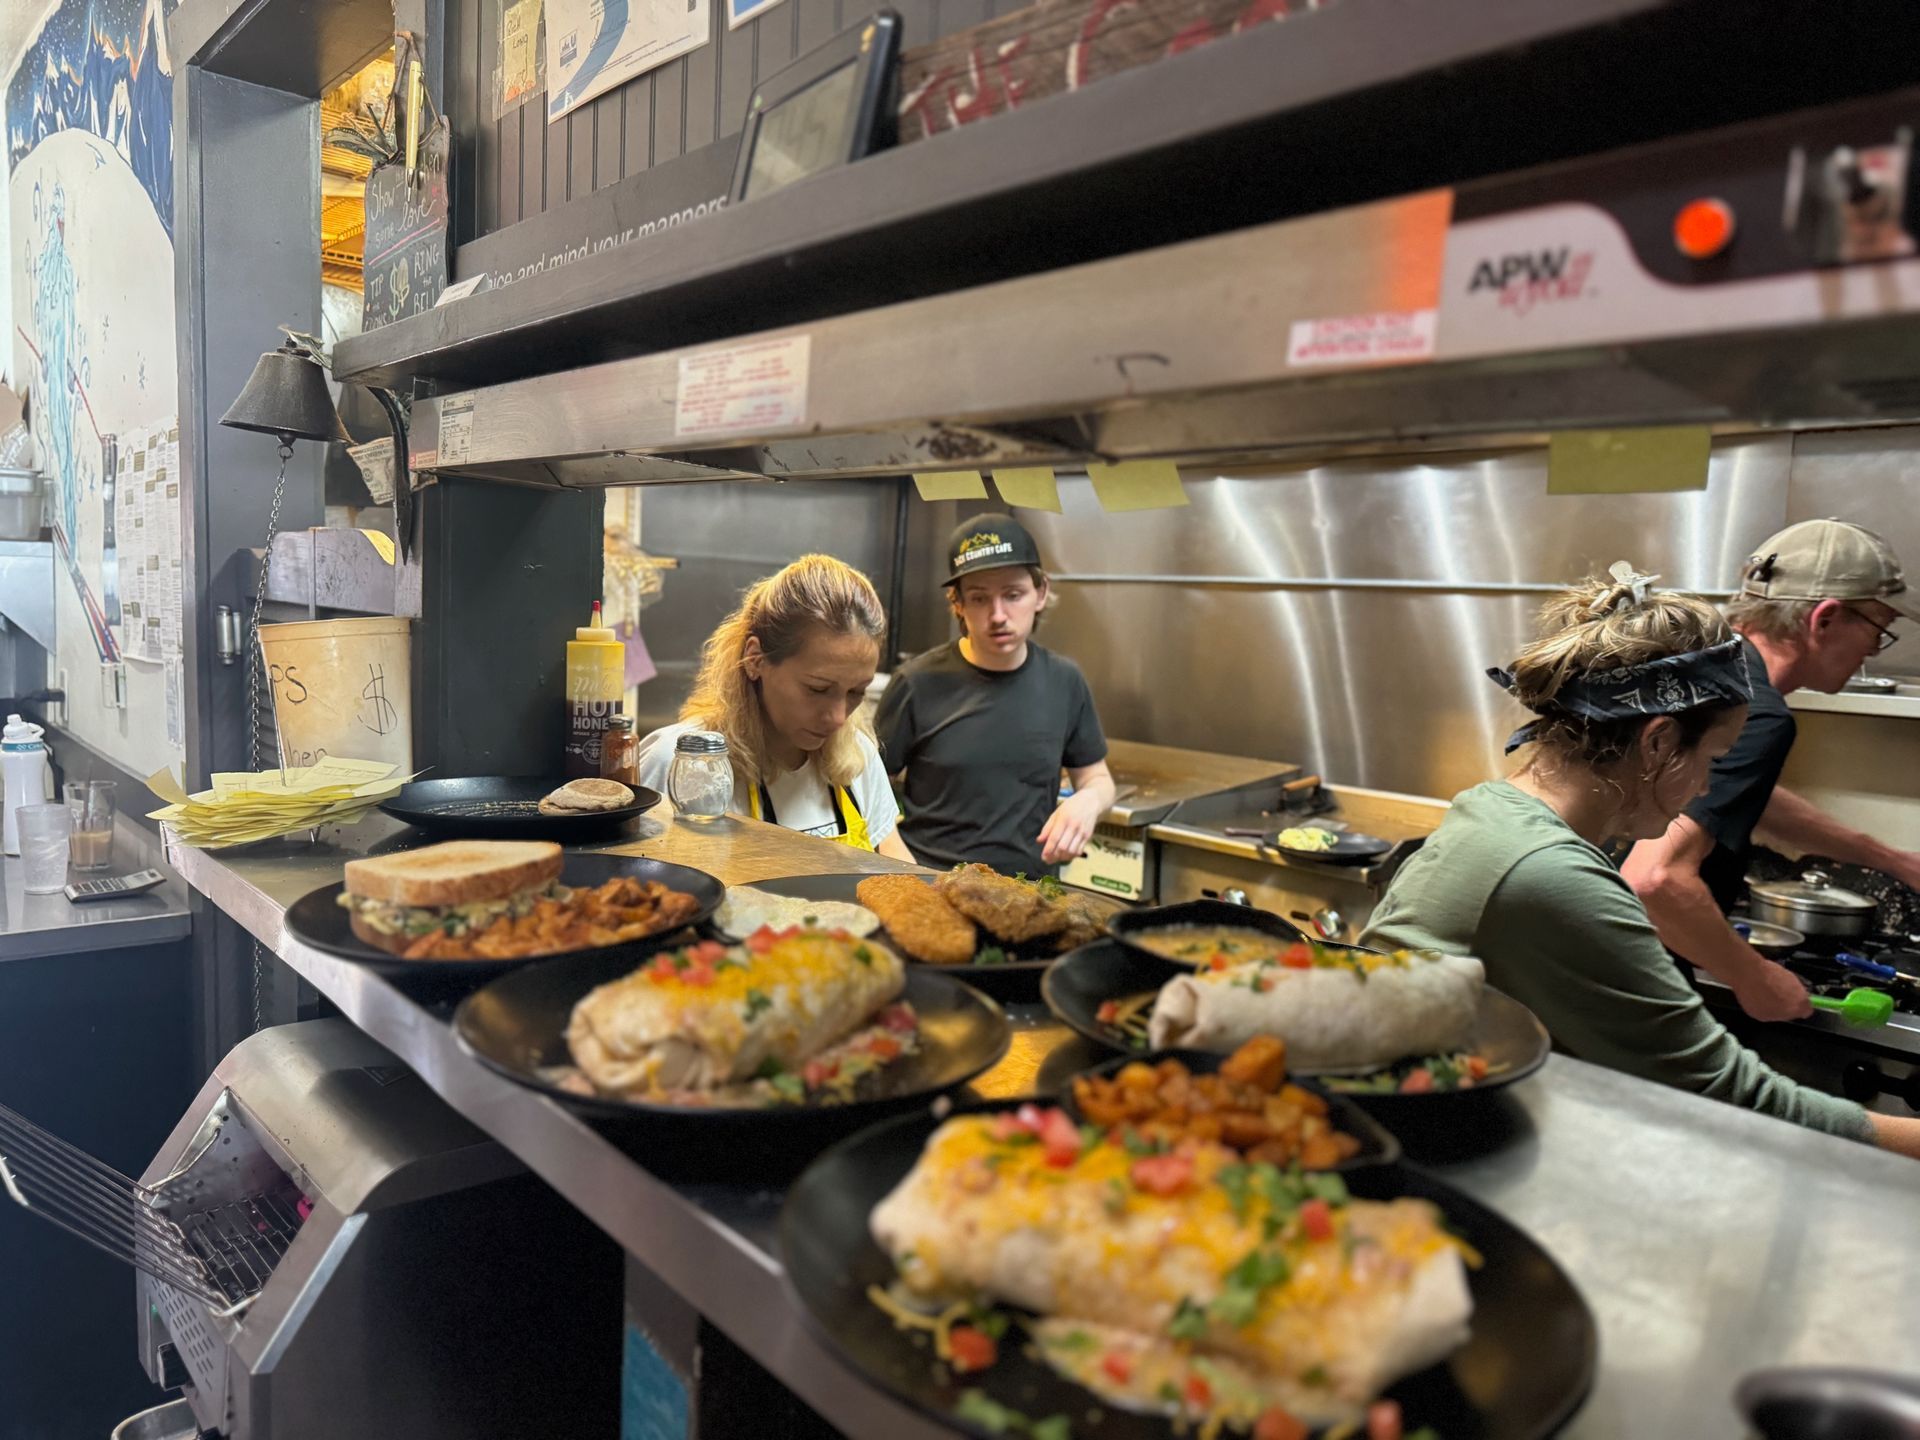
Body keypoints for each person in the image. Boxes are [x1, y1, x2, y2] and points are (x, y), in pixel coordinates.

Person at [1361, 566, 1920, 1157]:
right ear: (1657, 742)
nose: (1707, 788)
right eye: (1712, 757)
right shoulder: (1550, 875)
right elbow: (1739, 1101)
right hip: (1413, 1172)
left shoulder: (1493, 808)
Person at [1621, 519, 1920, 1021]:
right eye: (1878, 629)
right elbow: (1655, 878)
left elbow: (1722, 793)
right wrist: (1755, 977)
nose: (1872, 650)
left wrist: (1890, 859)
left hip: (1573, 953)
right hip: (1628, 976)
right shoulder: (1755, 712)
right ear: (1824, 619)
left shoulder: (1696, 667)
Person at [874, 513, 1115, 876]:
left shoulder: (1065, 681)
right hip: (934, 889)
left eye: (1013, 594)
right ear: (957, 603)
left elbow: (1096, 777)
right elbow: (864, 792)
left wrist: (1089, 801)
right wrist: (908, 874)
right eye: (979, 598)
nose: (998, 615)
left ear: (1041, 592)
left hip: (1030, 895)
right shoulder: (915, 683)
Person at [635, 555, 913, 861]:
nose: (837, 717)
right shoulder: (681, 763)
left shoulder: (857, 757)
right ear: (756, 659)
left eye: (856, 692)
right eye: (817, 689)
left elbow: (897, 872)